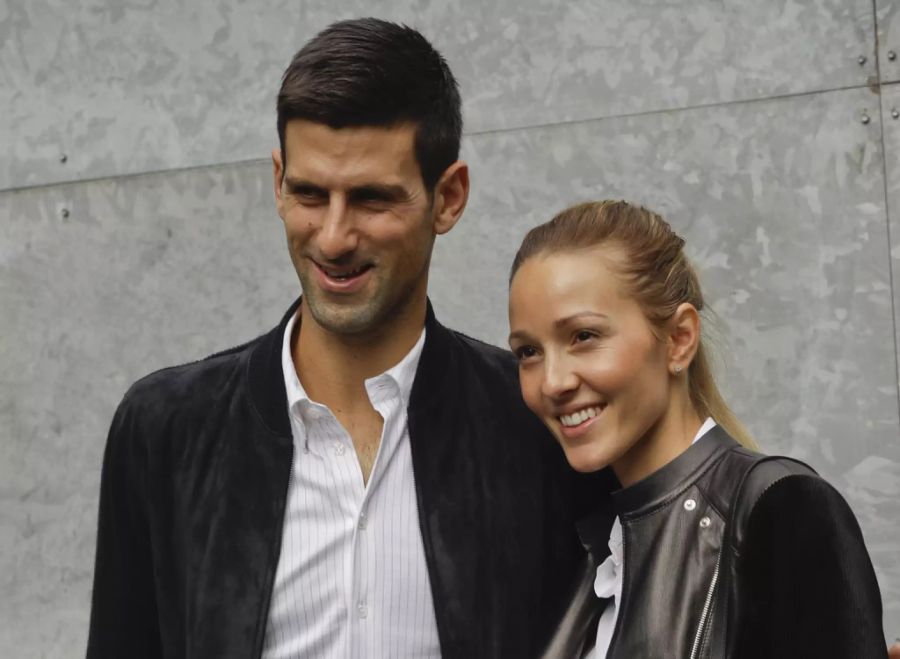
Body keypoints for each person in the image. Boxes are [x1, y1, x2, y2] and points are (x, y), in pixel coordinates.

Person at [85, 18, 600, 659]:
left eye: (371, 199)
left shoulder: (535, 426)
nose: (332, 237)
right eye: (308, 193)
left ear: (449, 197)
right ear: (277, 181)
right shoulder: (165, 430)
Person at [507, 200, 887, 658]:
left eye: (584, 336)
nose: (553, 382)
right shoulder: (584, 546)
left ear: (679, 339)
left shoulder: (783, 511)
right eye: (528, 352)